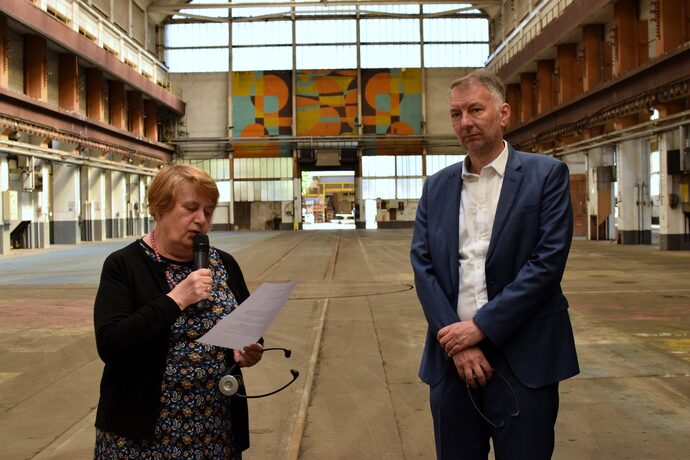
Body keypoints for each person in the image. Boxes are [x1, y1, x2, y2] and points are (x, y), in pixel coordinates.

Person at [410, 70, 579, 459]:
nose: (465, 122)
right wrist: (458, 342)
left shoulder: (546, 176)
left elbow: (546, 264)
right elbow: (423, 267)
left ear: (503, 114)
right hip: (451, 360)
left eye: (475, 110)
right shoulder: (437, 186)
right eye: (455, 114)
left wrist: (480, 329)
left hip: (523, 357)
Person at [93, 164, 263, 459]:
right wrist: (176, 299)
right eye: (190, 208)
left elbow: (250, 326)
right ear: (160, 209)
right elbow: (111, 344)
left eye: (208, 211)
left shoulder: (224, 264)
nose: (201, 220)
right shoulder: (123, 265)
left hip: (214, 430)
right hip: (141, 438)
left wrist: (251, 350)